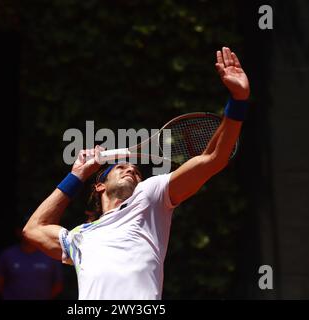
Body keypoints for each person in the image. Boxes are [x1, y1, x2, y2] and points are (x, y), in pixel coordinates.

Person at [23, 47, 250, 299]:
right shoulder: (79, 238)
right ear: (99, 186)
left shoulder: (150, 197)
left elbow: (212, 158)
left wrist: (238, 100)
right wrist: (77, 174)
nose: (131, 168)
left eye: (136, 171)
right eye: (120, 167)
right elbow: (33, 230)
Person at [0, 222, 63, 300]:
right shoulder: (7, 255)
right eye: (26, 229)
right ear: (18, 232)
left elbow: (58, 285)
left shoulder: (50, 254)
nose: (30, 233)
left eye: (33, 230)